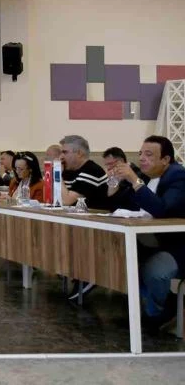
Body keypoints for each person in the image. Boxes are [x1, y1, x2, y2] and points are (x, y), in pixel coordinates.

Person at [108, 136, 185, 331]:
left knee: (154, 272)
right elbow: (117, 204)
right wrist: (115, 182)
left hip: (177, 246)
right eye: (141, 153)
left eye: (149, 155)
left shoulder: (178, 177)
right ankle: (163, 304)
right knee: (121, 264)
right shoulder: (148, 176)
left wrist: (134, 180)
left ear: (165, 160)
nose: (142, 158)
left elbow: (162, 210)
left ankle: (159, 313)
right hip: (150, 241)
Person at [58, 135, 108, 301]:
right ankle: (76, 274)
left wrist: (57, 175)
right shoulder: (70, 172)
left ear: (79, 153)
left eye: (65, 152)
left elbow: (66, 200)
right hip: (81, 223)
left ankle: (90, 276)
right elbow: (56, 198)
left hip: (100, 227)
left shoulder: (91, 170)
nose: (61, 156)